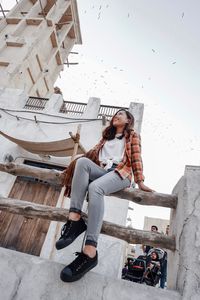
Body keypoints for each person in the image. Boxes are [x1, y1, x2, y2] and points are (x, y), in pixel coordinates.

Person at [55, 109, 154, 282]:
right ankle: (75, 220)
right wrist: (70, 169)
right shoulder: (106, 136)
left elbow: (137, 158)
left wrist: (140, 181)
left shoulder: (132, 136)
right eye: (115, 114)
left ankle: (90, 251)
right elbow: (89, 156)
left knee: (95, 188)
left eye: (121, 114)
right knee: (82, 161)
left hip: (120, 173)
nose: (116, 116)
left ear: (128, 120)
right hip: (102, 171)